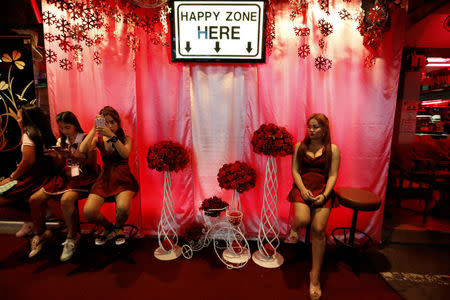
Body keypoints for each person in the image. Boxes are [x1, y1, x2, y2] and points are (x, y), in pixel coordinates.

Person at [28, 111, 99, 260]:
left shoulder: (86, 139)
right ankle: (40, 234)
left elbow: (92, 165)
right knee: (34, 199)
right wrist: (57, 157)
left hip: (84, 177)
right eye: (61, 128)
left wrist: (72, 156)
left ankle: (72, 237)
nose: (64, 131)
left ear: (75, 125)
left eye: (67, 127)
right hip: (66, 176)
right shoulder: (62, 140)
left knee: (66, 200)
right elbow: (60, 166)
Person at [286, 113, 340, 300]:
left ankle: (314, 276)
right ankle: (293, 228)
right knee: (302, 219)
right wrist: (301, 189)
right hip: (303, 188)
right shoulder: (299, 147)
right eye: (310, 126)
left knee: (318, 230)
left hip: (323, 190)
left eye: (316, 127)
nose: (312, 130)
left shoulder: (333, 149)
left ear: (325, 129)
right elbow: (294, 171)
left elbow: (333, 175)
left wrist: (325, 195)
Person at [79, 106, 138, 246]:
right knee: (88, 211)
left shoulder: (126, 139)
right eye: (105, 123)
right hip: (105, 177)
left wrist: (111, 136)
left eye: (112, 122)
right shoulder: (98, 139)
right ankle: (109, 227)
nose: (109, 125)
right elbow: (82, 150)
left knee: (123, 208)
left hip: (123, 177)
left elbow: (125, 154)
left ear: (118, 123)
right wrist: (94, 129)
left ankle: (118, 227)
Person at [0, 104, 56, 237]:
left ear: (27, 119)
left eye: (19, 118)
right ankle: (36, 219)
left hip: (32, 178)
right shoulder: (41, 132)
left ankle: (34, 221)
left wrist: (12, 177)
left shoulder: (29, 135)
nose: (17, 120)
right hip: (41, 176)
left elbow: (28, 162)